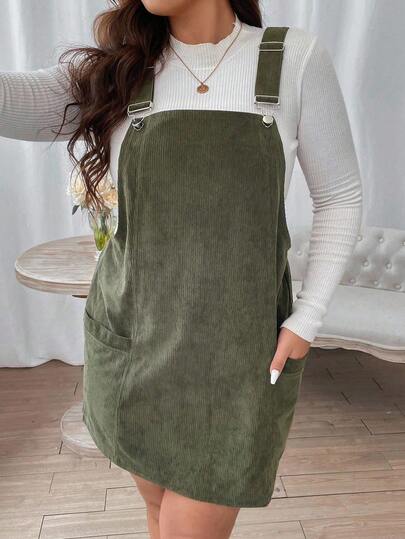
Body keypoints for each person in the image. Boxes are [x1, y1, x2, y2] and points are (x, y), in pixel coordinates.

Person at [0, 0, 362, 537]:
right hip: (134, 348)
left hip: (235, 365)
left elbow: (339, 196)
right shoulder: (121, 70)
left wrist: (307, 318)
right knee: (158, 514)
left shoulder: (292, 60)